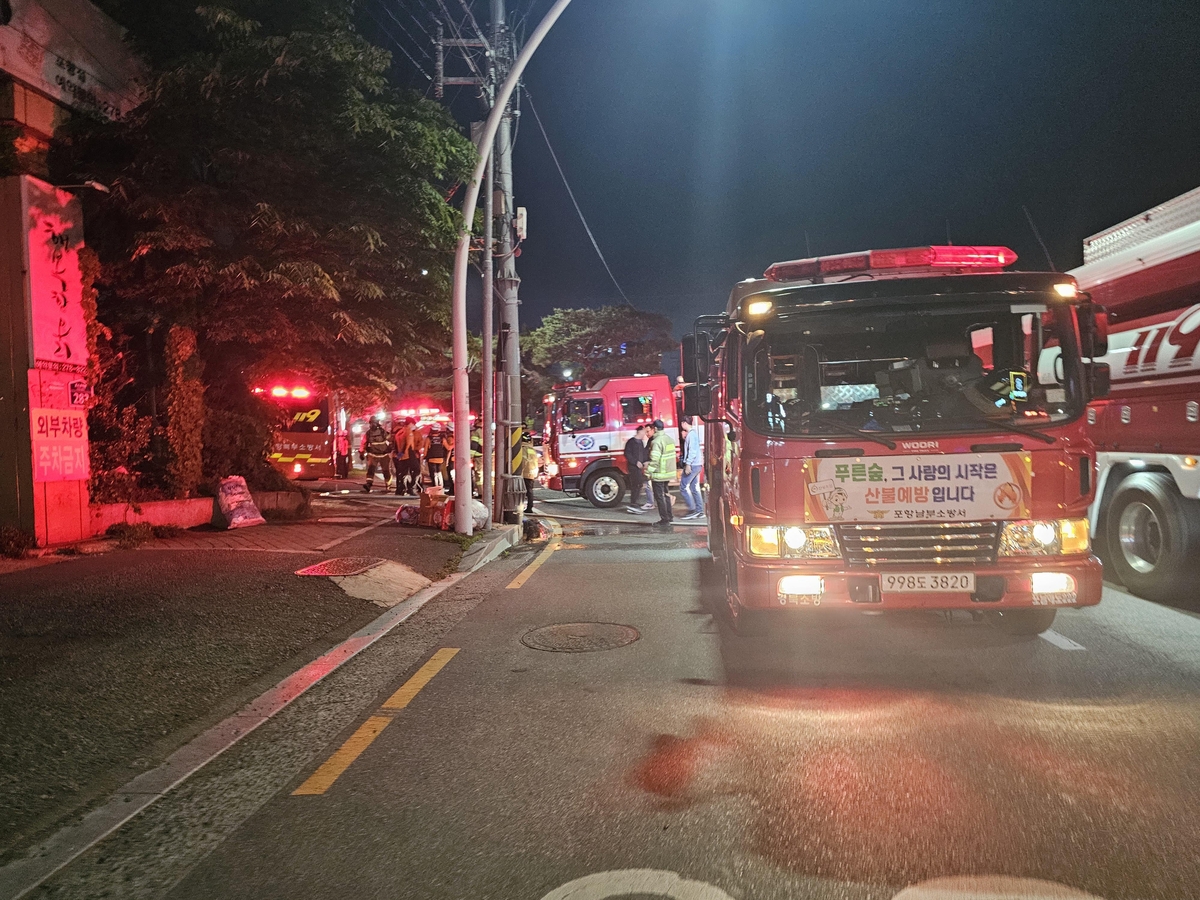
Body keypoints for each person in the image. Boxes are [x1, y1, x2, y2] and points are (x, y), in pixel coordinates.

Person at [646, 418, 677, 529]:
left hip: (659, 474)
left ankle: (664, 520)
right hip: (668, 473)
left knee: (659, 497)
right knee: (666, 495)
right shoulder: (669, 439)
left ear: (654, 428)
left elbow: (655, 460)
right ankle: (669, 516)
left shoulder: (656, 441)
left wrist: (648, 472)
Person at [679, 417, 705, 519]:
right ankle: (700, 511)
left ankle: (693, 510)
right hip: (697, 464)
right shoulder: (693, 434)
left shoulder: (691, 435)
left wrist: (688, 464)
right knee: (694, 488)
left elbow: (692, 451)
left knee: (683, 487)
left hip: (693, 465)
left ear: (684, 423)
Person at [360, 416, 394, 492]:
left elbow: (390, 439)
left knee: (386, 470)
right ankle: (368, 484)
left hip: (384, 454)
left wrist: (390, 447)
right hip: (373, 454)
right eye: (372, 423)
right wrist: (361, 452)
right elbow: (363, 443)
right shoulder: (368, 434)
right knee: (371, 470)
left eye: (374, 423)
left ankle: (388, 485)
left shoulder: (383, 432)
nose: (373, 425)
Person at [623, 424, 649, 514]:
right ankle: (633, 504)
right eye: (644, 431)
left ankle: (635, 503)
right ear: (639, 431)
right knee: (636, 485)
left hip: (639, 467)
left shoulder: (641, 442)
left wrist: (645, 461)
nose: (645, 433)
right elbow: (627, 454)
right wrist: (635, 462)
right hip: (633, 467)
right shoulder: (631, 442)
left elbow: (643, 454)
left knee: (639, 484)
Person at [392, 417, 420, 496]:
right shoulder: (408, 431)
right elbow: (408, 444)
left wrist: (399, 454)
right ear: (410, 423)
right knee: (417, 470)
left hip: (401, 455)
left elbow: (396, 445)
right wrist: (405, 452)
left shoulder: (399, 432)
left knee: (402, 472)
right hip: (409, 454)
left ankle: (400, 489)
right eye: (413, 423)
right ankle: (411, 487)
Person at [519, 430, 540, 513]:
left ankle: (520, 507)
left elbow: (523, 461)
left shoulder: (522, 449)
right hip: (531, 472)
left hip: (523, 473)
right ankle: (529, 507)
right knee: (529, 491)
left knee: (521, 492)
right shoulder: (532, 449)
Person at [469, 424, 484, 498]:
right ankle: (492, 492)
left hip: (479, 457)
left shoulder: (477, 432)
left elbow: (474, 446)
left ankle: (481, 492)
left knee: (479, 475)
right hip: (491, 456)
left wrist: (470, 457)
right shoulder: (491, 430)